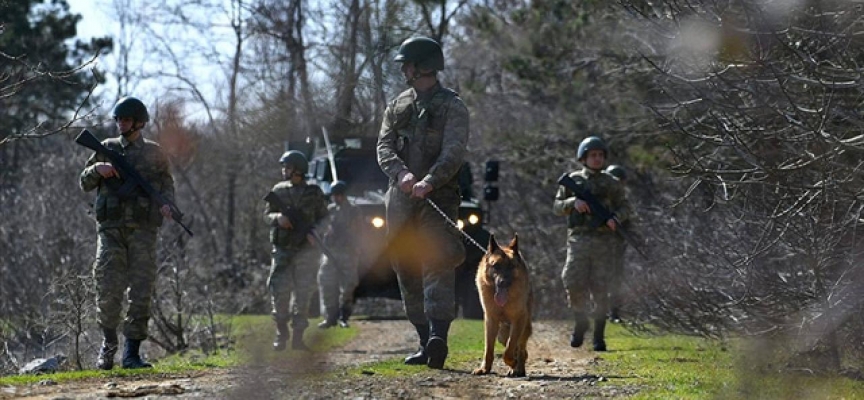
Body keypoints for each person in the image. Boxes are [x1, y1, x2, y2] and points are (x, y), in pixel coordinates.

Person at [376, 35, 469, 369]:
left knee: (437, 262)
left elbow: (454, 151)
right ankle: (422, 341)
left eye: (407, 64)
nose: (403, 70)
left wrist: (430, 181)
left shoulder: (453, 106)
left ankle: (438, 338)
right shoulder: (398, 105)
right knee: (405, 267)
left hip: (438, 198)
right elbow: (383, 146)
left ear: (420, 66)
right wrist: (401, 174)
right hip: (400, 201)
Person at [79, 96, 175, 370]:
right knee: (108, 289)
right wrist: (97, 169)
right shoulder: (106, 148)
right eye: (119, 119)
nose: (121, 124)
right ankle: (108, 348)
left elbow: (167, 186)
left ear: (140, 123)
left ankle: (131, 353)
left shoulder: (156, 153)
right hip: (110, 231)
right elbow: (84, 182)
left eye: (127, 119)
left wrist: (168, 206)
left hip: (144, 232)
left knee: (142, 291)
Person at [553, 136, 631, 352]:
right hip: (578, 239)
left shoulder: (611, 183)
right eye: (592, 155)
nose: (596, 159)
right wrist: (573, 203)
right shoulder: (573, 180)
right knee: (573, 280)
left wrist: (616, 218)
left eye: (600, 155)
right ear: (583, 158)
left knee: (601, 288)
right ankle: (580, 321)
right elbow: (557, 206)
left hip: (604, 241)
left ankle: (598, 335)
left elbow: (625, 207)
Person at [264, 150, 329, 351]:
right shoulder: (279, 190)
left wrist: (315, 233)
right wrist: (278, 219)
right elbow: (266, 215)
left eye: (288, 167)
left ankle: (298, 338)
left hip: (306, 251)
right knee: (279, 292)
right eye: (284, 167)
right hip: (282, 249)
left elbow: (324, 219)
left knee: (304, 294)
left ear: (298, 170)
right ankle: (281, 333)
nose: (284, 170)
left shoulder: (314, 192)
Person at [317, 180, 360, 329]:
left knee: (348, 285)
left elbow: (358, 230)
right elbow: (321, 227)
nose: (336, 198)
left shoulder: (353, 210)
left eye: (339, 195)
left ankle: (344, 316)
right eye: (334, 195)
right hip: (330, 252)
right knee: (326, 282)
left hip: (348, 252)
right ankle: (330, 317)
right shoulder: (329, 210)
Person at [603, 164, 628, 323]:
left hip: (617, 244)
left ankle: (614, 312)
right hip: (599, 244)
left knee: (616, 279)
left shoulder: (622, 202)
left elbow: (628, 219)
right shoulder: (602, 200)